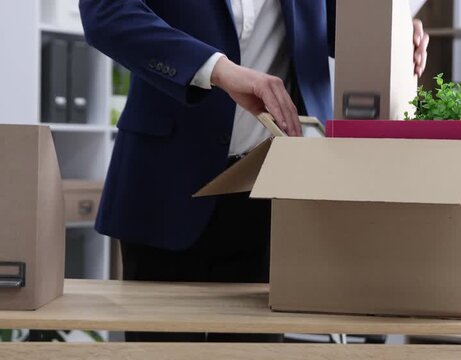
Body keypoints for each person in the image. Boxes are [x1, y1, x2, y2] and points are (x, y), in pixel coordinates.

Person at [79, 0, 429, 342]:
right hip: (165, 186)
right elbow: (105, 12)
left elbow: (347, 24)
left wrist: (395, 34)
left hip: (271, 191)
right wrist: (218, 69)